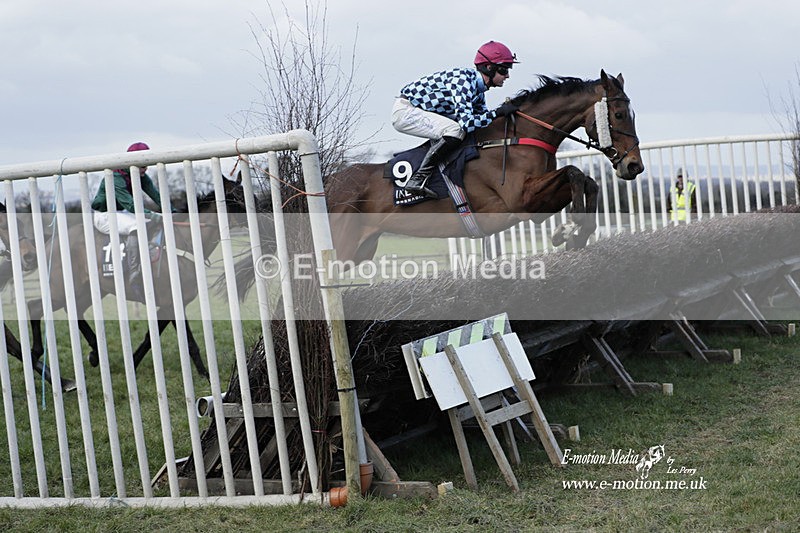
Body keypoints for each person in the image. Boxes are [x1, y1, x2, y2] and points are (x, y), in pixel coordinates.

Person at [391, 40, 520, 198]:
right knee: (455, 130)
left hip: (419, 110)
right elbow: (467, 123)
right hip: (406, 111)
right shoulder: (463, 81)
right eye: (504, 70)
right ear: (489, 67)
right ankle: (417, 179)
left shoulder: (477, 91)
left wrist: (502, 115)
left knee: (461, 130)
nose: (507, 75)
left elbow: (482, 121)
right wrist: (498, 112)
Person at [92, 142, 165, 302]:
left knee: (150, 222)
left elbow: (157, 196)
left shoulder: (140, 176)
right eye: (143, 165)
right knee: (137, 225)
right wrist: (154, 215)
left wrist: (173, 211)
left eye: (147, 164)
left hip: (121, 213)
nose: (145, 168)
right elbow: (130, 204)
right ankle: (134, 272)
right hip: (104, 215)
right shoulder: (116, 177)